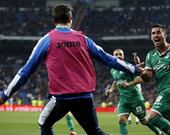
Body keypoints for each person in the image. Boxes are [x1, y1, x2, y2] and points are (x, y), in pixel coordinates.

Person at [0, 4, 142, 135]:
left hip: (61, 98)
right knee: (94, 131)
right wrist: (135, 69)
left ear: (53, 20)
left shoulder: (46, 40)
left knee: (44, 124)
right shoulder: (83, 39)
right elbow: (108, 59)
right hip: (84, 97)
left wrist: (5, 95)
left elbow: (25, 72)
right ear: (70, 19)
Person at [105, 49, 162, 135]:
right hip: (124, 100)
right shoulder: (113, 70)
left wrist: (129, 83)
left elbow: (142, 78)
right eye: (116, 54)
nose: (118, 56)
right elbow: (116, 81)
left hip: (135, 99)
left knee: (144, 121)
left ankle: (158, 132)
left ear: (123, 56)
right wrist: (111, 90)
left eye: (120, 54)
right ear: (113, 56)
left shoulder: (128, 66)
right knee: (121, 120)